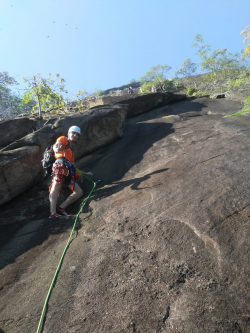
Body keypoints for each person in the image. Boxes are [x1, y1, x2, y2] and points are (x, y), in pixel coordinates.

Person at [49, 125, 93, 218]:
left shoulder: (72, 149)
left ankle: (61, 207)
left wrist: (85, 173)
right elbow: (56, 145)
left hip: (68, 170)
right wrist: (56, 149)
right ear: (69, 133)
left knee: (79, 192)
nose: (75, 136)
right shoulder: (63, 139)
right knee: (56, 187)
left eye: (77, 135)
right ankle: (53, 213)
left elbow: (73, 166)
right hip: (60, 166)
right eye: (73, 133)